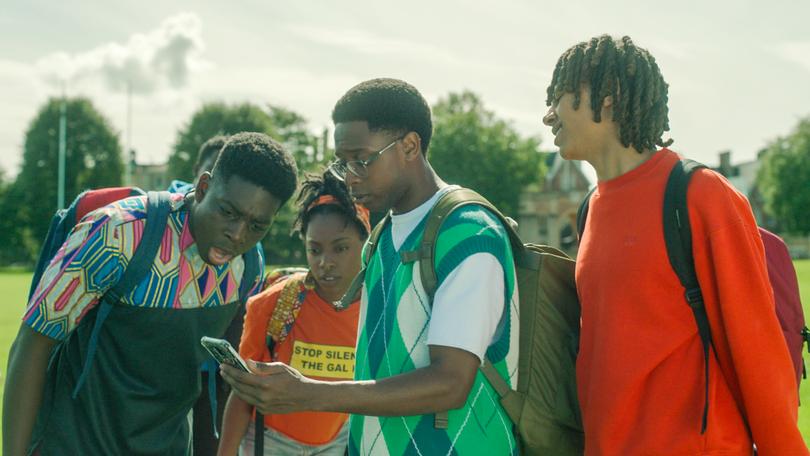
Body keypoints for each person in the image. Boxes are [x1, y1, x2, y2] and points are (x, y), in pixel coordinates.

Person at [220, 78, 520, 456]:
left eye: (361, 160)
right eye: (342, 163)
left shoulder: (468, 232)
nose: (350, 177)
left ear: (410, 146)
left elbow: (450, 383)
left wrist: (308, 393)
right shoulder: (380, 238)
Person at [542, 35, 808, 455]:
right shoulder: (590, 209)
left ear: (607, 99)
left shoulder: (699, 194)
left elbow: (758, 352)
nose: (548, 116)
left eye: (559, 97)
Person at [3, 132, 298, 456]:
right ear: (202, 188)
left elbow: (222, 374)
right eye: (228, 212)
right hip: (74, 443)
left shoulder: (249, 267)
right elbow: (33, 343)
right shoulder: (117, 233)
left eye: (257, 226)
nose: (237, 234)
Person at [218, 169, 370, 456]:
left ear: (365, 243)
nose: (326, 262)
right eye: (315, 250)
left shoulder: (379, 308)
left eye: (341, 248)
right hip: (271, 441)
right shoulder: (274, 304)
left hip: (339, 442)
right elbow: (244, 392)